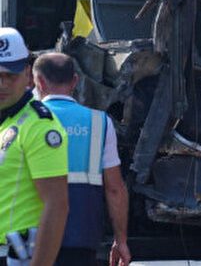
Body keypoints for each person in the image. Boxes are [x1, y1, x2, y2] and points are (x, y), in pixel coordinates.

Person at [32, 52, 131, 266]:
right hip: (82, 237)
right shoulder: (100, 123)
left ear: (38, 81)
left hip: (32, 238)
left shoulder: (22, 122)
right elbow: (115, 189)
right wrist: (120, 240)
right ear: (75, 81)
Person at [0, 27, 69, 266]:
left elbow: (57, 205)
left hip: (15, 257)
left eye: (11, 75)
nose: (3, 84)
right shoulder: (4, 121)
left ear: (28, 75)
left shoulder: (39, 125)